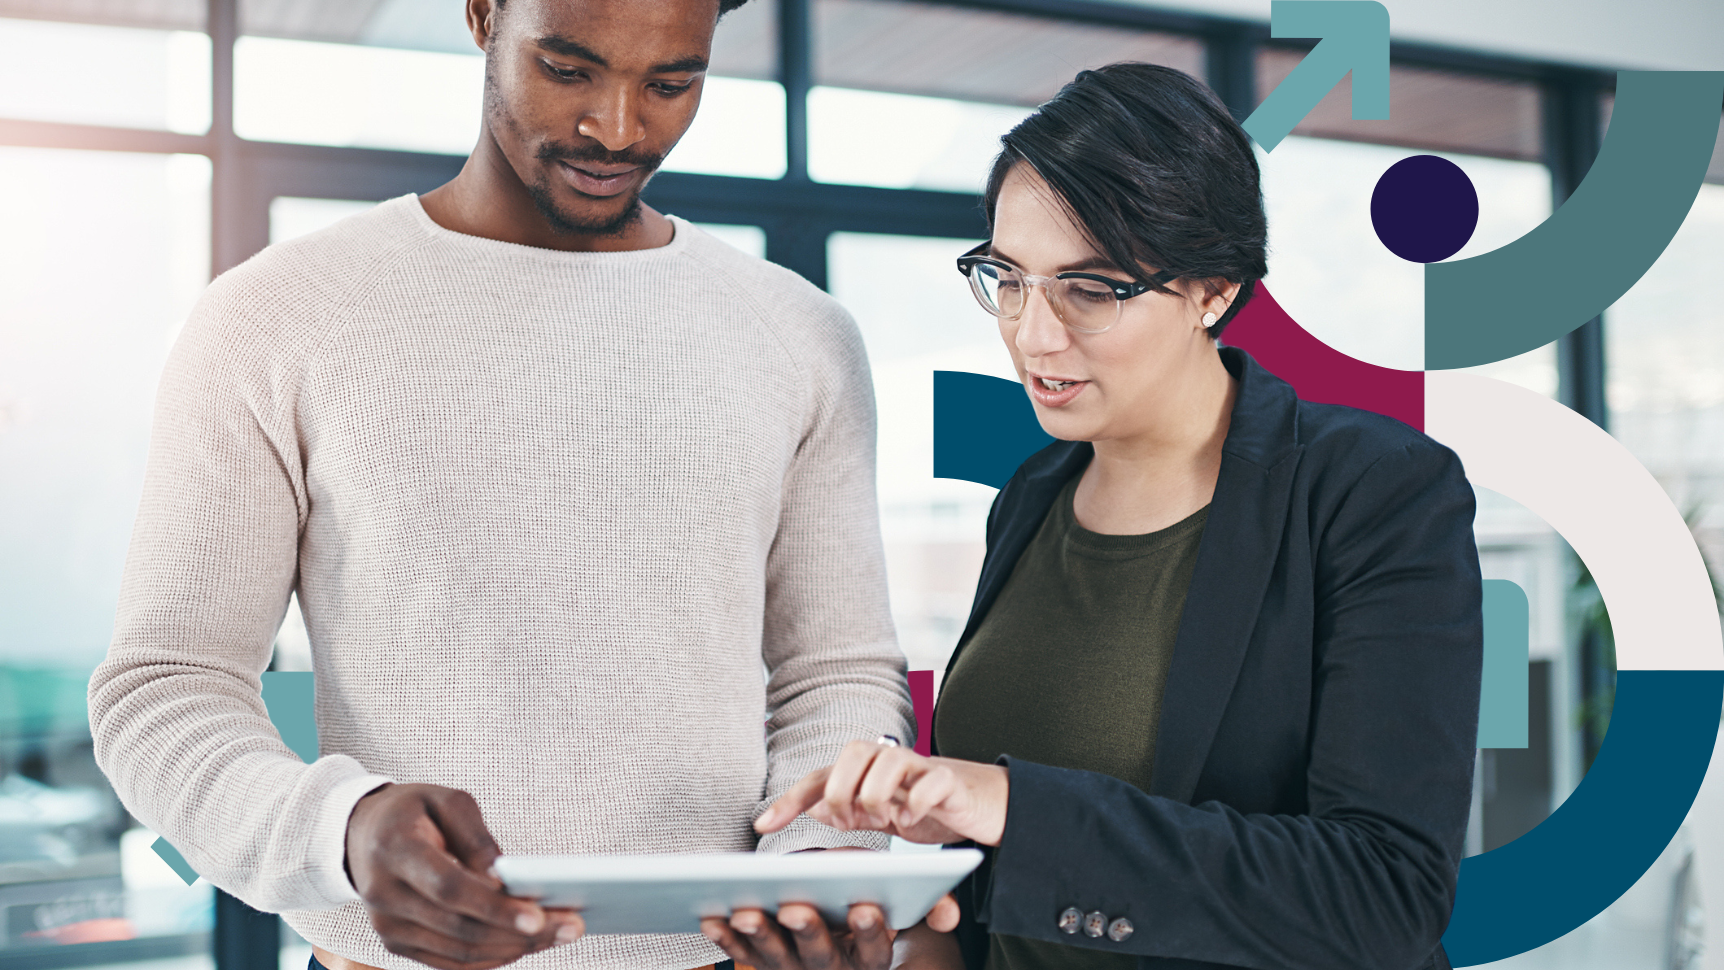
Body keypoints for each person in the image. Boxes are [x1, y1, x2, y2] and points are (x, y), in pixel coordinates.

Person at [86, 2, 920, 970]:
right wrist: (339, 831)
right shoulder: (275, 316)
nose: (617, 128)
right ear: (483, 15)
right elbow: (165, 686)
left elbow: (837, 671)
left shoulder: (800, 333)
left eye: (669, 83)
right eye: (567, 70)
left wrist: (820, 856)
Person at [748, 63, 1483, 970]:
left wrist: (1014, 805)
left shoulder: (1374, 490)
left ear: (1214, 289)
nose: (1033, 333)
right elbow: (995, 898)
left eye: (1090, 290)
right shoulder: (1035, 491)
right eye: (1007, 277)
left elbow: (1385, 895)